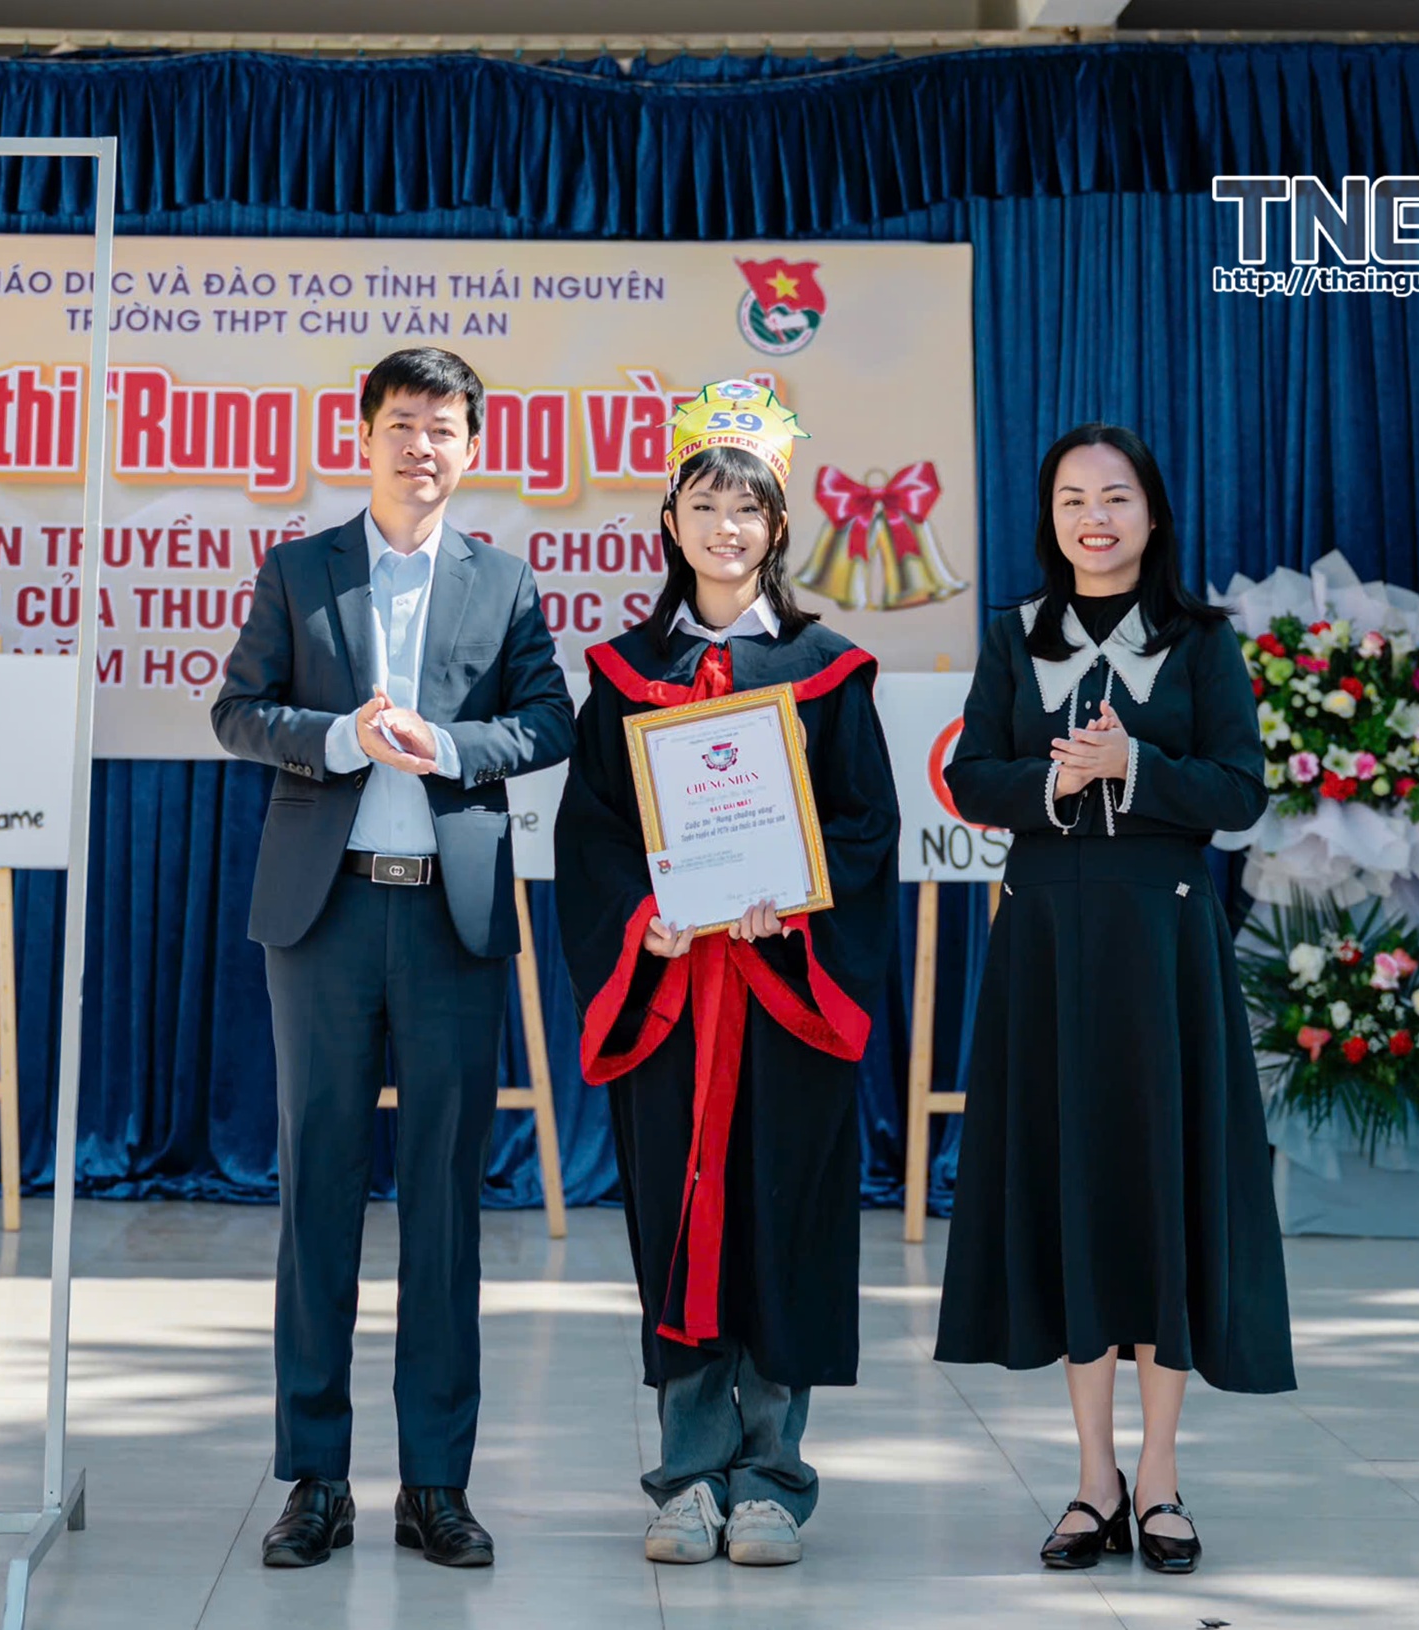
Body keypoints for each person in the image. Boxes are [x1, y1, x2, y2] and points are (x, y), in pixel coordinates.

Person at [211, 347, 575, 1570]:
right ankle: (315, 1480)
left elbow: (548, 719)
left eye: (444, 428)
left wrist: (450, 746)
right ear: (362, 436)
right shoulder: (298, 569)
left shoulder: (503, 581)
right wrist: (338, 738)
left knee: (444, 1208)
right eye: (403, 424)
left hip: (446, 923)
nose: (423, 447)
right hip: (321, 919)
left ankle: (436, 1483)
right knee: (316, 1196)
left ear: (472, 448)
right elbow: (236, 711)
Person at [933, 423, 1295, 1575]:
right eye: (1072, 499)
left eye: (1115, 497)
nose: (1093, 518)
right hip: (1045, 945)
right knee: (1075, 1193)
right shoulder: (1013, 636)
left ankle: (1160, 1476)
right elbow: (968, 774)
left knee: (1159, 1191)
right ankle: (1092, 1478)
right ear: (1048, 518)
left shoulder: (1200, 640)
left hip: (1162, 949)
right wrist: (1057, 776)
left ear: (1150, 512)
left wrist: (1131, 766)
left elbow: (1237, 789)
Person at [554, 382, 899, 1570]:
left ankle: (771, 1479)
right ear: (669, 521)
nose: (723, 527)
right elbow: (591, 833)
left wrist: (790, 898)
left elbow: (864, 829)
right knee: (679, 1219)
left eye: (744, 508)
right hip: (672, 1002)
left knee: (780, 1219)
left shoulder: (825, 669)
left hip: (781, 994)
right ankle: (687, 1475)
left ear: (775, 525)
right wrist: (643, 919)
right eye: (701, 504)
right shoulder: (623, 672)